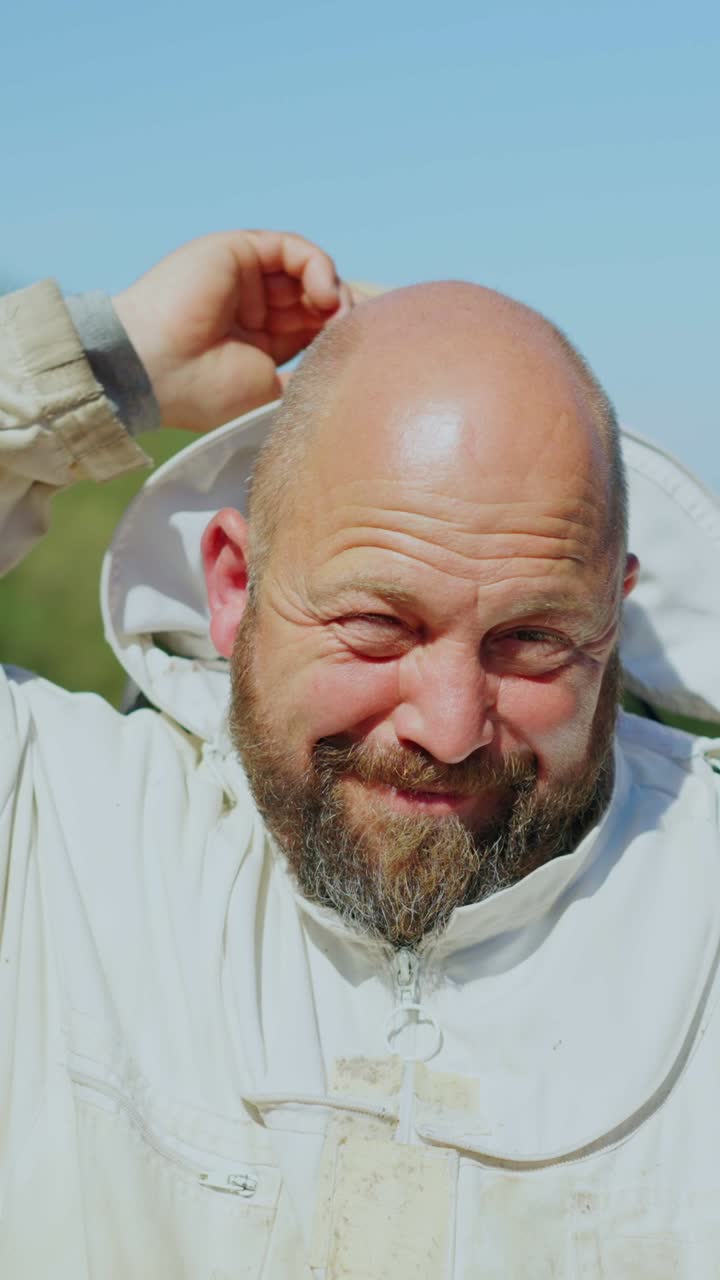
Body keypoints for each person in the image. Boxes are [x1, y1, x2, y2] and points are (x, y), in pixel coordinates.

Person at [1, 229, 719, 1279]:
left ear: (615, 612)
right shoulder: (53, 829)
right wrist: (104, 363)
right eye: (379, 624)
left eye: (533, 637)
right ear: (235, 588)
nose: (449, 724)